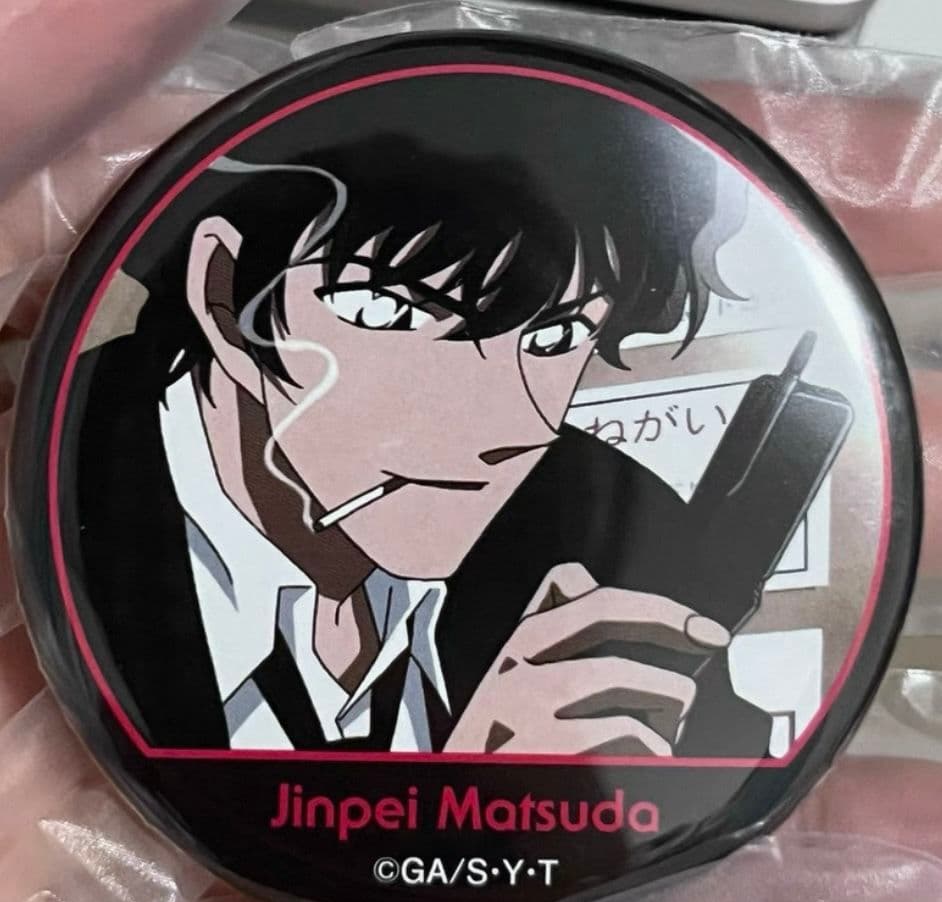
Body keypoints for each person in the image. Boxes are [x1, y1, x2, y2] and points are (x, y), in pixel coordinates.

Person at [72, 71, 771, 755]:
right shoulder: (68, 498)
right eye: (390, 311)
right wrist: (477, 797)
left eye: (555, 336)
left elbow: (717, 773)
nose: (513, 428)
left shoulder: (611, 538)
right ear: (224, 295)